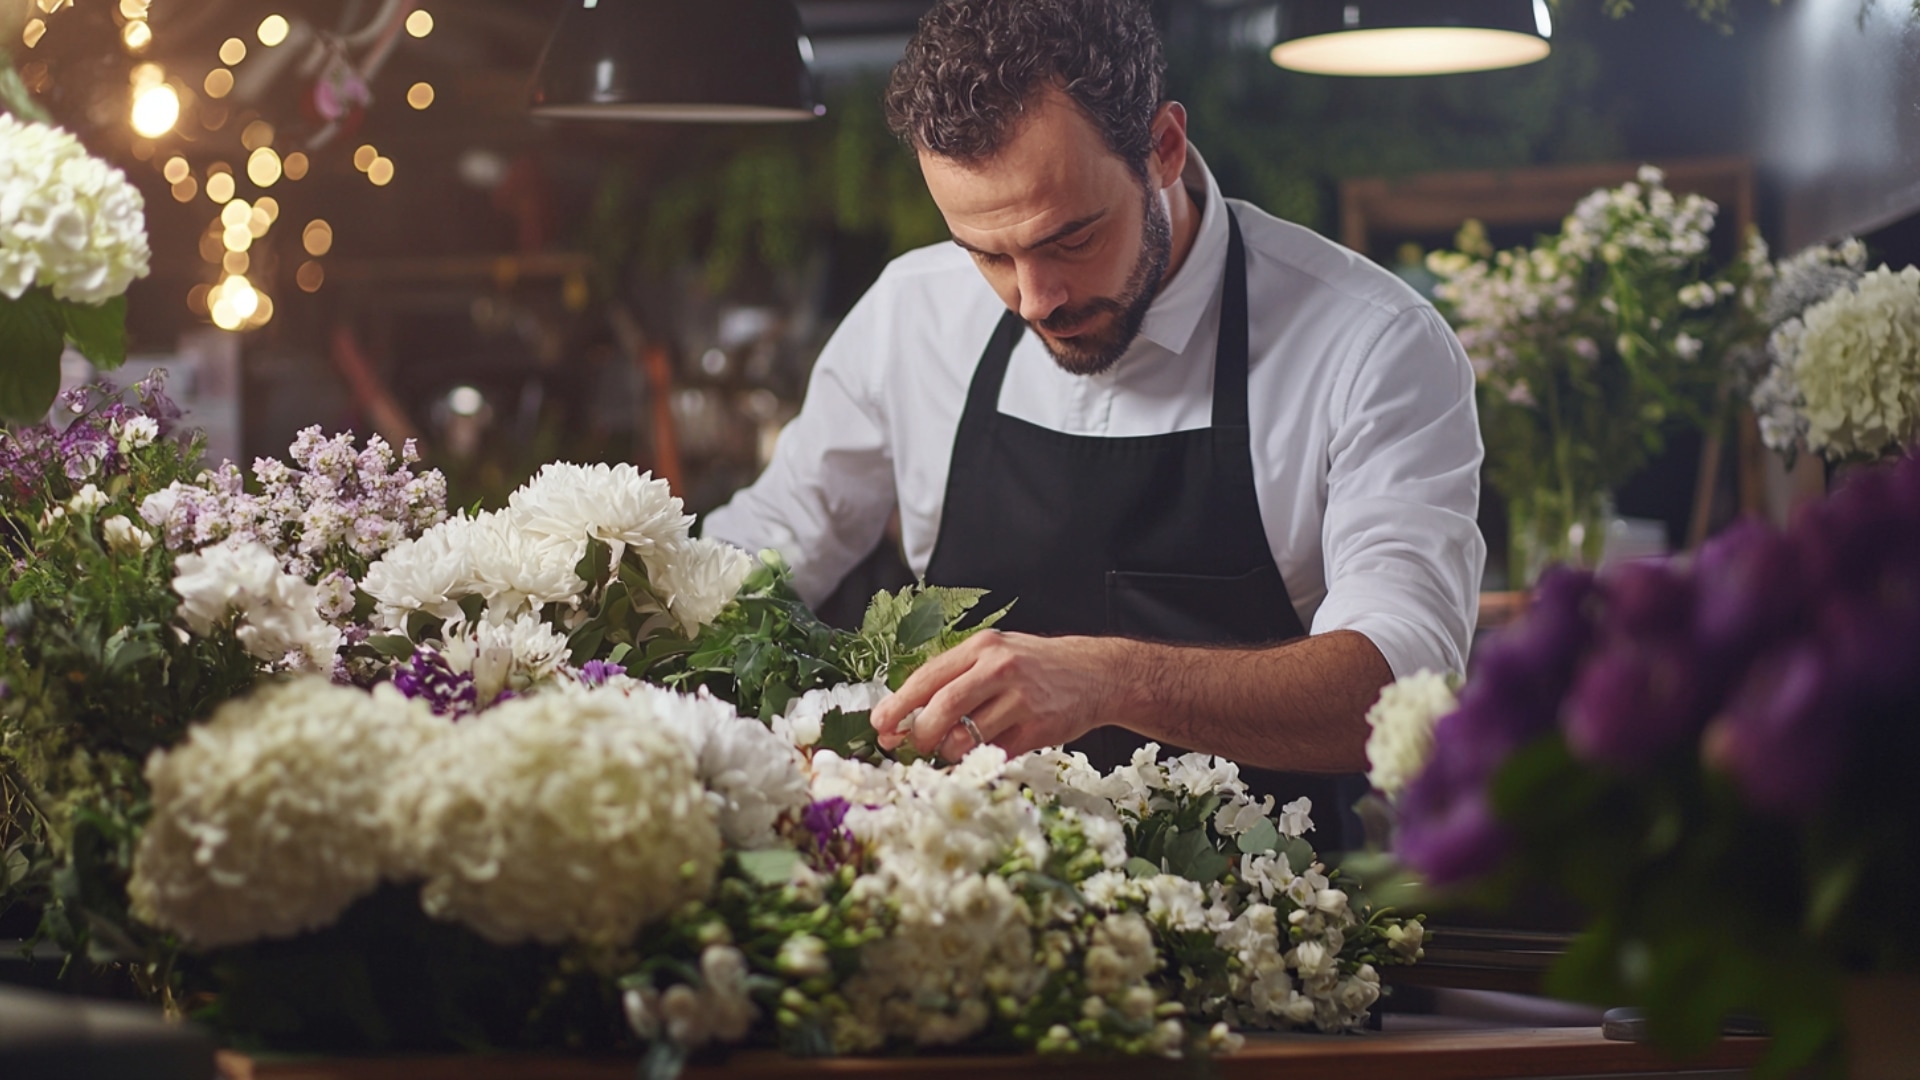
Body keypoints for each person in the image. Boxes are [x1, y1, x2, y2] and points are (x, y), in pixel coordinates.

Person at [704, 0, 1483, 844]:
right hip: (968, 898)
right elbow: (766, 552)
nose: (1036, 299)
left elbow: (1406, 686)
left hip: (1275, 927)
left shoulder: (1370, 342)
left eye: (1070, 238)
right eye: (989, 254)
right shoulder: (910, 313)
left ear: (1164, 149)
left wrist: (1111, 681)